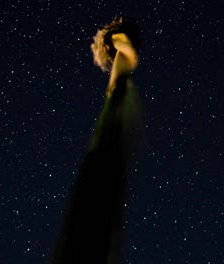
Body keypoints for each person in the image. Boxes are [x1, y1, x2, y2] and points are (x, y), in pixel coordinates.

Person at [49, 17, 143, 264]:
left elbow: (126, 49)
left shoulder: (118, 44)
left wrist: (122, 49)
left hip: (116, 108)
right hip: (117, 106)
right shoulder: (119, 66)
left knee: (98, 185)